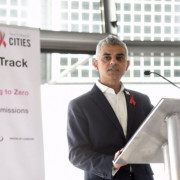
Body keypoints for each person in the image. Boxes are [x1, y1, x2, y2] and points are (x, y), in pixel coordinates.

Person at [67, 35, 154, 180]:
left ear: (126, 65)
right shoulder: (80, 105)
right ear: (96, 64)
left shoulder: (142, 101)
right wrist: (112, 163)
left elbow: (160, 133)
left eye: (120, 58)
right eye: (106, 57)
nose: (113, 61)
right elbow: (76, 154)